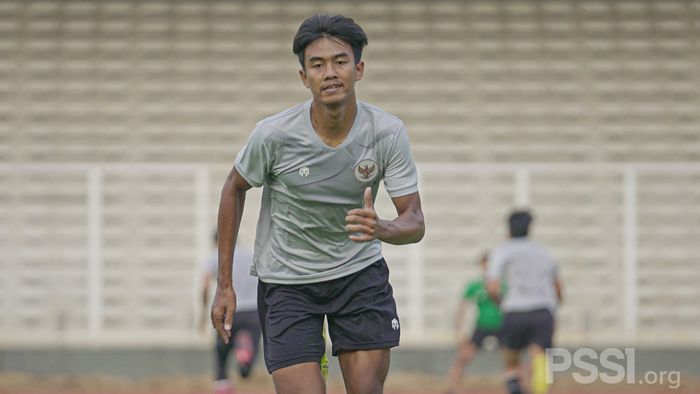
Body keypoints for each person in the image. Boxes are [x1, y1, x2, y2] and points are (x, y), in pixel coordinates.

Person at [210, 14, 425, 394]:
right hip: (288, 282)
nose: (330, 72)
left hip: (359, 275)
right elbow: (233, 188)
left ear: (358, 69)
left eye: (340, 61)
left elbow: (415, 220)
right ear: (303, 76)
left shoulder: (387, 132)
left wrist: (383, 228)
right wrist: (224, 285)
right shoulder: (273, 135)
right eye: (317, 64)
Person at [486, 210, 563, 394]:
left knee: (511, 362)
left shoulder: (502, 251)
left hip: (515, 310)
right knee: (540, 359)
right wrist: (555, 307)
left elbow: (493, 287)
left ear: (508, 229)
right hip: (542, 311)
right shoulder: (543, 252)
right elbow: (558, 286)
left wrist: (499, 304)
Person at [200, 232, 261, 394]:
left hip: (229, 312)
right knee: (248, 362)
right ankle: (244, 353)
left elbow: (205, 286)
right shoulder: (250, 255)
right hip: (254, 311)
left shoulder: (216, 256)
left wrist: (203, 312)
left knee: (221, 353)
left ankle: (222, 387)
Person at [444, 252, 504, 394]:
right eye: (484, 264)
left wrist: (495, 292)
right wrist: (458, 330)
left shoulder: (504, 284)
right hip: (482, 326)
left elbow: (508, 306)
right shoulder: (475, 286)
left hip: (501, 325)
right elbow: (462, 308)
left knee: (513, 358)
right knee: (463, 356)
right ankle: (451, 388)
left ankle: (523, 387)